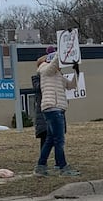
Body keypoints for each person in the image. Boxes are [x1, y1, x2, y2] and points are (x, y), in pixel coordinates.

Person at [34, 46, 80, 177]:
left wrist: (76, 72)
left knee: (50, 140)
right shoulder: (45, 70)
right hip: (52, 107)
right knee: (59, 140)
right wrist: (63, 48)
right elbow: (53, 64)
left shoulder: (57, 75)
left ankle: (40, 167)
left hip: (56, 108)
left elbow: (71, 85)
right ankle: (63, 167)